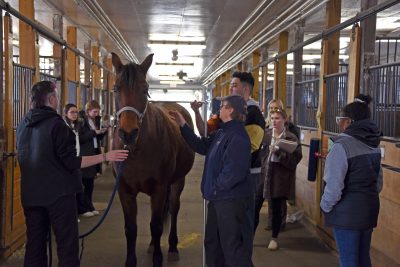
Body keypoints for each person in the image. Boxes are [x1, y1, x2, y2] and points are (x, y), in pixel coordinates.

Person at [16, 81, 129, 267]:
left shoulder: (22, 125)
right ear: (52, 99)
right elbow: (72, 162)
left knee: (34, 246)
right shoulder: (57, 125)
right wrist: (106, 156)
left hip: (30, 195)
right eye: (57, 96)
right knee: (67, 246)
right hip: (59, 196)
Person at [170, 94, 254, 267]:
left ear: (231, 110)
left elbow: (233, 173)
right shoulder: (223, 132)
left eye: (222, 106)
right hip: (219, 200)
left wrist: (214, 189)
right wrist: (183, 125)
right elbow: (201, 146)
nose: (219, 109)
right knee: (213, 245)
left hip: (230, 201)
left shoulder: (238, 137)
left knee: (232, 249)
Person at [191, 71, 265, 240]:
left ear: (245, 88)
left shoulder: (255, 115)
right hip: (224, 177)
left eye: (234, 85)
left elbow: (245, 151)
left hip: (246, 176)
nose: (230, 88)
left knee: (240, 227)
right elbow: (206, 132)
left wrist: (216, 183)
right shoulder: (226, 112)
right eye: (230, 85)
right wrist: (196, 112)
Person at [320, 94, 382, 267]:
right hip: (369, 210)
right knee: (363, 259)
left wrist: (324, 206)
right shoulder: (374, 145)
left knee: (348, 261)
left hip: (346, 216)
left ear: (349, 122)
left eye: (341, 119)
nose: (339, 123)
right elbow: (379, 183)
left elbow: (334, 187)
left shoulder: (341, 146)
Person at [255, 99, 300, 232]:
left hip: (282, 168)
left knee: (279, 198)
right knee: (268, 195)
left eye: (276, 109)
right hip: (267, 168)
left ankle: (280, 223)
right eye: (271, 109)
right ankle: (272, 222)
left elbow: (295, 150)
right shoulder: (266, 130)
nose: (273, 111)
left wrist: (280, 151)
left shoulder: (291, 131)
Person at [78, 100, 108, 217]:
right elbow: (80, 138)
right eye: (94, 112)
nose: (96, 114)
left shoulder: (93, 120)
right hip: (85, 153)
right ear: (88, 111)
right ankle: (82, 208)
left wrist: (102, 132)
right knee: (84, 183)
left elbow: (96, 137)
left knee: (90, 183)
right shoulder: (81, 122)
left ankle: (90, 205)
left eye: (97, 112)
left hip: (94, 151)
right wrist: (94, 132)